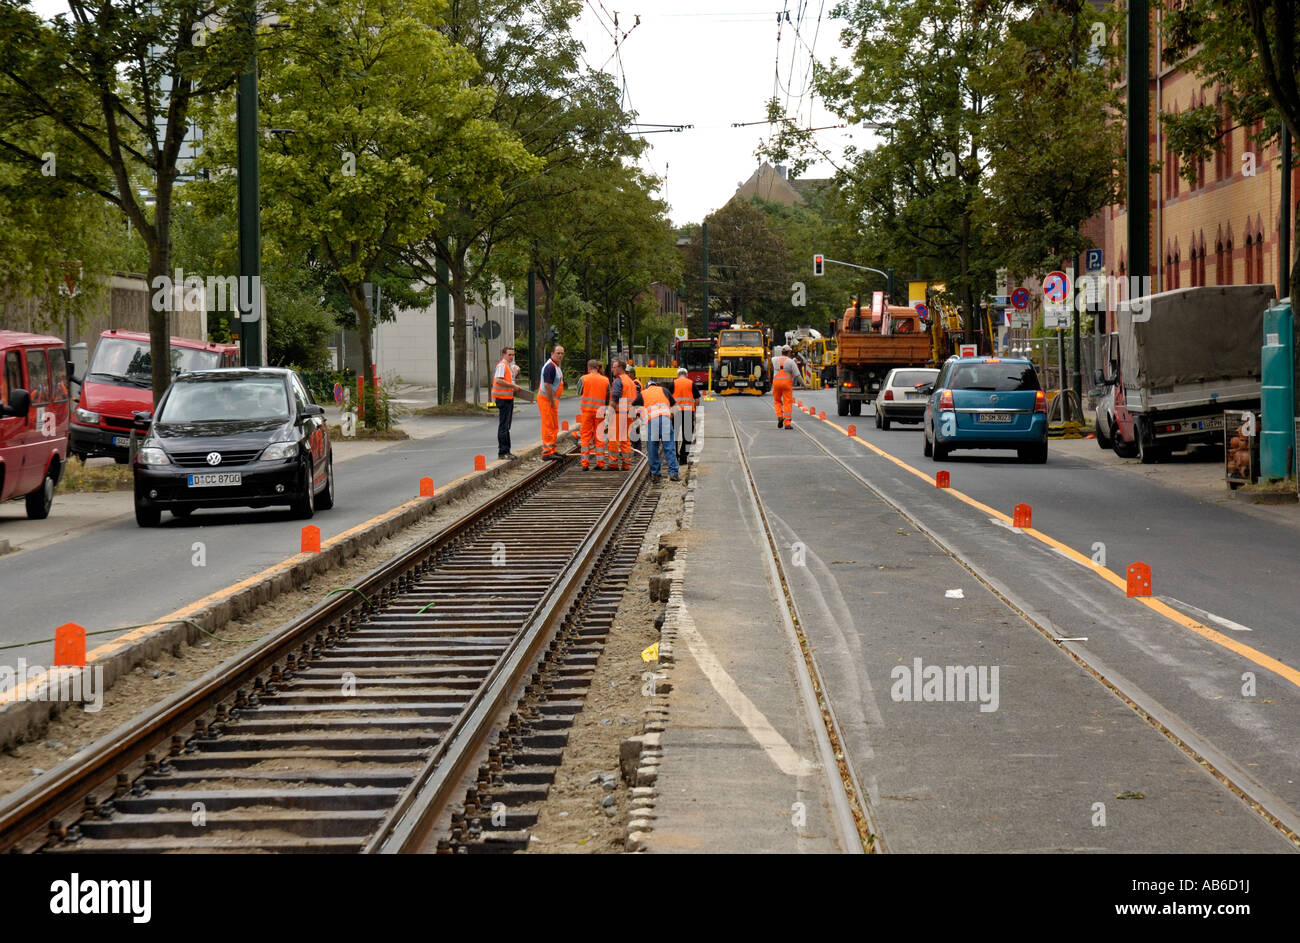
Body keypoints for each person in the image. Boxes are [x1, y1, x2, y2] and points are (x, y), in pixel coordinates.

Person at [492, 347, 531, 460]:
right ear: (504, 354)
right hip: (503, 399)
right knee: (504, 426)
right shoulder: (502, 365)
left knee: (506, 426)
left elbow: (510, 376)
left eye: (513, 355)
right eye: (509, 354)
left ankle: (507, 451)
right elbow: (499, 380)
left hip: (508, 398)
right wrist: (513, 386)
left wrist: (516, 372)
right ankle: (503, 452)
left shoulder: (508, 366)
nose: (511, 357)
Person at [642, 380, 679, 481]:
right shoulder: (664, 390)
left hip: (652, 421)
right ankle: (673, 473)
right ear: (655, 385)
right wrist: (669, 416)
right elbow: (675, 407)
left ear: (647, 387)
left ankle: (655, 474)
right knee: (669, 446)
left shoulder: (643, 393)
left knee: (652, 448)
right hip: (665, 420)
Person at [577, 359, 610, 470]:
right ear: (598, 368)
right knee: (599, 437)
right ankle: (600, 463)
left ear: (588, 368)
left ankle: (585, 464)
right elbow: (608, 397)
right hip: (600, 412)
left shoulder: (583, 378)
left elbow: (579, 392)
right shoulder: (605, 380)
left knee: (585, 437)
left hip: (587, 412)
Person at [538, 345, 565, 460]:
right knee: (548, 425)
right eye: (558, 353)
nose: (560, 355)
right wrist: (551, 400)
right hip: (547, 400)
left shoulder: (555, 366)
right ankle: (547, 452)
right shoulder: (550, 367)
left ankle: (552, 449)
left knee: (553, 425)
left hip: (551, 399)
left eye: (562, 353)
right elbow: (547, 385)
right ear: (552, 353)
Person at [608, 360, 637, 471]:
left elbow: (615, 397)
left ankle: (613, 463)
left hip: (618, 414)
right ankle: (626, 464)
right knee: (625, 440)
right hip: (628, 414)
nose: (612, 369)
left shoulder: (618, 381)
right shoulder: (630, 382)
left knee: (613, 439)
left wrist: (609, 413)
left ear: (620, 368)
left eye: (614, 367)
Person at [771, 345, 801, 429]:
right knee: (787, 402)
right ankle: (787, 423)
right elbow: (798, 375)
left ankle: (780, 416)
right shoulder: (791, 362)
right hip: (786, 384)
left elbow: (770, 360)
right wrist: (804, 385)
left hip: (776, 383)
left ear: (781, 352)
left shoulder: (774, 360)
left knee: (777, 401)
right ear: (788, 353)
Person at [672, 367, 697, 465]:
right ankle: (683, 458)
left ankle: (674, 456)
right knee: (687, 436)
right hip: (688, 412)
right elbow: (697, 400)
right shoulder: (691, 383)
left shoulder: (673, 384)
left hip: (675, 412)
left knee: (673, 435)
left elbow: (668, 399)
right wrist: (694, 411)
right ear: (686, 375)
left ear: (677, 375)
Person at [625, 365, 644, 455]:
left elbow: (634, 397)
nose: (626, 375)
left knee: (634, 430)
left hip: (635, 409)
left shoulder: (635, 383)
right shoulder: (633, 382)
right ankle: (635, 449)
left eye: (628, 373)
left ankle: (637, 450)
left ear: (632, 374)